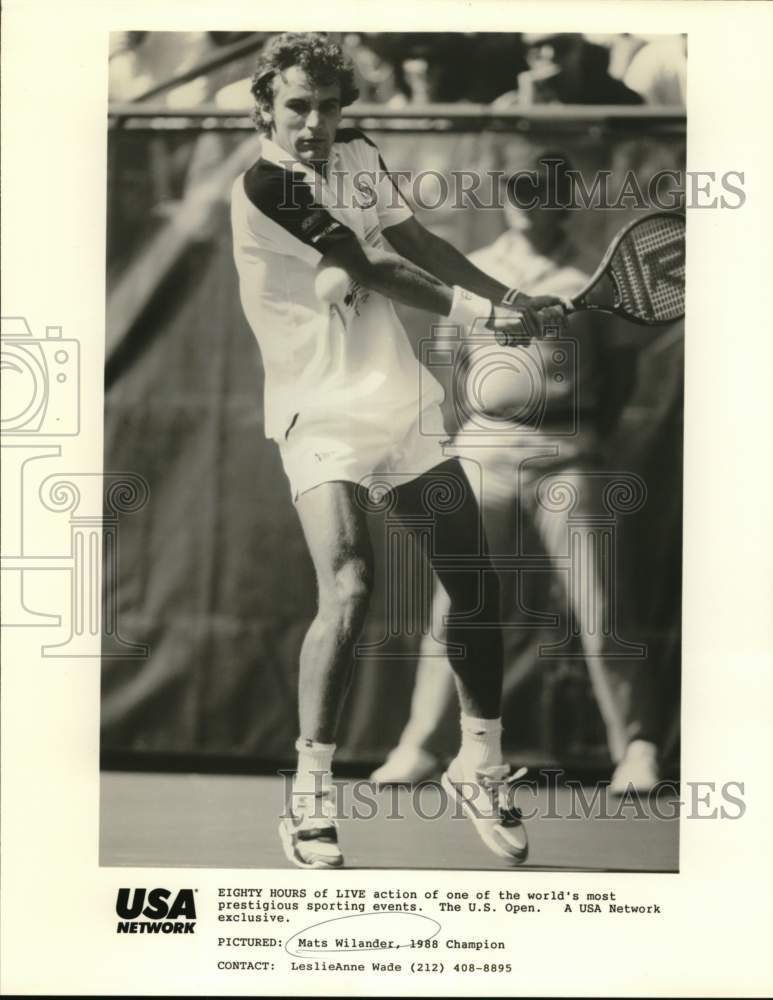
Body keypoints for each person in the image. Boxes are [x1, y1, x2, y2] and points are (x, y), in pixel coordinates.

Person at [230, 32, 567, 869]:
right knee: (348, 584)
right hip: (319, 415)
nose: (313, 122)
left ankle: (478, 763)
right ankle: (311, 792)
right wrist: (486, 316)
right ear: (266, 108)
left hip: (399, 410)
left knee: (476, 585)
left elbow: (412, 241)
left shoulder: (356, 153)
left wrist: (510, 295)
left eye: (328, 105)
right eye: (297, 106)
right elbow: (367, 262)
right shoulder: (266, 184)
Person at [371, 154, 661, 795]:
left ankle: (636, 751)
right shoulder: (474, 271)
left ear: (565, 203)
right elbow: (451, 364)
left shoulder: (588, 275)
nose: (528, 200)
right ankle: (420, 745)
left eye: (543, 192)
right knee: (458, 603)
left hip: (568, 451)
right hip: (483, 450)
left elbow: (620, 375)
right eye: (520, 190)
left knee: (600, 607)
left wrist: (582, 434)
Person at [494, 33, 644, 106]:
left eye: (561, 46)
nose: (549, 55)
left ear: (583, 50)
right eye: (536, 49)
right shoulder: (508, 107)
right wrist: (528, 111)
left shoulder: (621, 100)